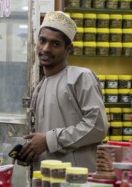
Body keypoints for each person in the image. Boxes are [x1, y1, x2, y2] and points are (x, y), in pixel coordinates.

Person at [16, 11, 109, 172]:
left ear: (69, 49)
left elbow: (98, 126)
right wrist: (31, 152)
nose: (46, 48)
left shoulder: (81, 77)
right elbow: (44, 139)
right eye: (42, 41)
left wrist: (48, 140)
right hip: (47, 177)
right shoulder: (41, 85)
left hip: (76, 178)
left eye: (55, 44)